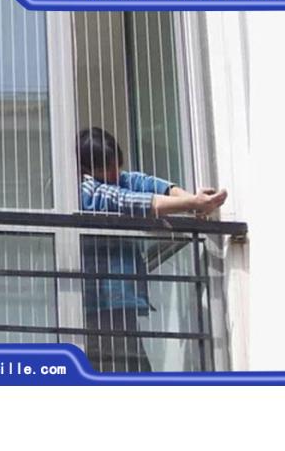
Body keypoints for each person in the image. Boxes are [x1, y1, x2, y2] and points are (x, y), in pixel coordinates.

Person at [77, 127, 227, 373]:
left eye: (117, 166)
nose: (115, 174)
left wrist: (192, 201)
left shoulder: (114, 179)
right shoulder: (84, 191)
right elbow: (126, 200)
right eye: (107, 168)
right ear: (86, 169)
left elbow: (145, 183)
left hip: (118, 302)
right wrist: (192, 203)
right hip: (99, 302)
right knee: (123, 370)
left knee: (132, 368)